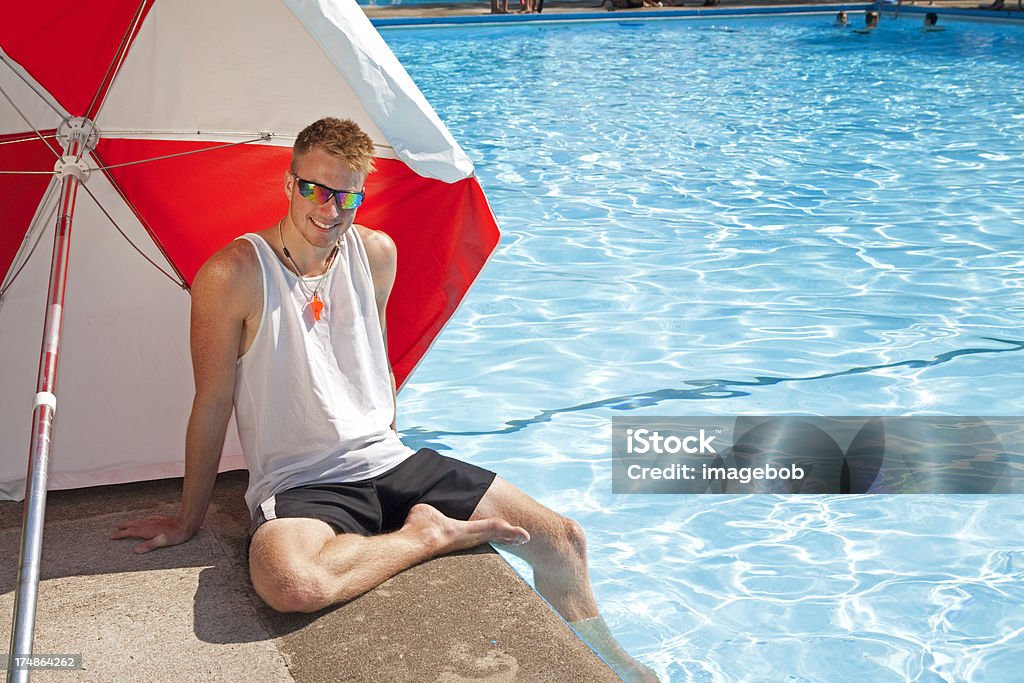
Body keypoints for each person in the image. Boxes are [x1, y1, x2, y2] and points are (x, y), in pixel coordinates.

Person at [113, 118, 658, 682]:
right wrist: (187, 518)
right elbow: (212, 402)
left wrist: (391, 438)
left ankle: (615, 666)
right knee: (292, 584)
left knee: (562, 539)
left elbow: (374, 365)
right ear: (288, 182)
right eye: (314, 190)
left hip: (390, 460)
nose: (330, 210)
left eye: (347, 196)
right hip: (301, 481)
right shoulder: (233, 274)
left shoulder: (375, 254)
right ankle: (427, 534)